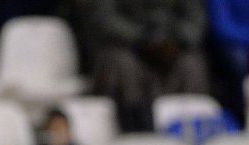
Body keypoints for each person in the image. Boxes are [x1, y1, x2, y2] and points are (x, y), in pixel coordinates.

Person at [88, 0, 210, 132]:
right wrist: (143, 39)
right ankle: (135, 129)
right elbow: (104, 19)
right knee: (123, 63)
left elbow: (195, 22)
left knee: (192, 64)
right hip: (129, 47)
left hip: (174, 48)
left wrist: (174, 40)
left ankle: (193, 129)